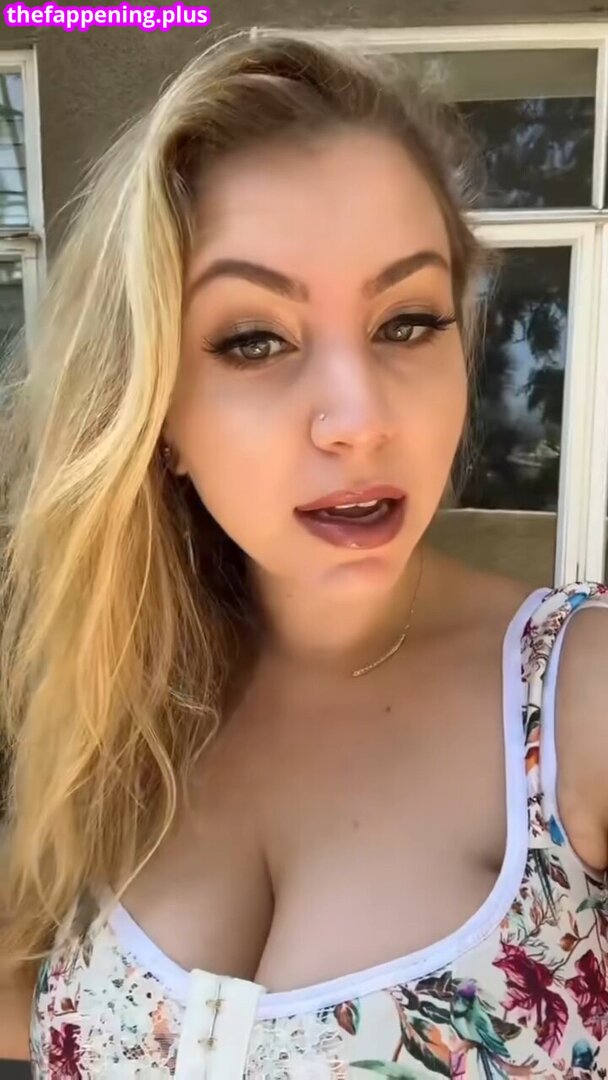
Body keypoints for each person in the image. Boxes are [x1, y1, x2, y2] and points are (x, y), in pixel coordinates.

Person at [1, 26, 607, 1078]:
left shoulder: (576, 704)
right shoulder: (115, 708)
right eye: (255, 340)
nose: (358, 419)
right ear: (155, 410)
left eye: (407, 322)